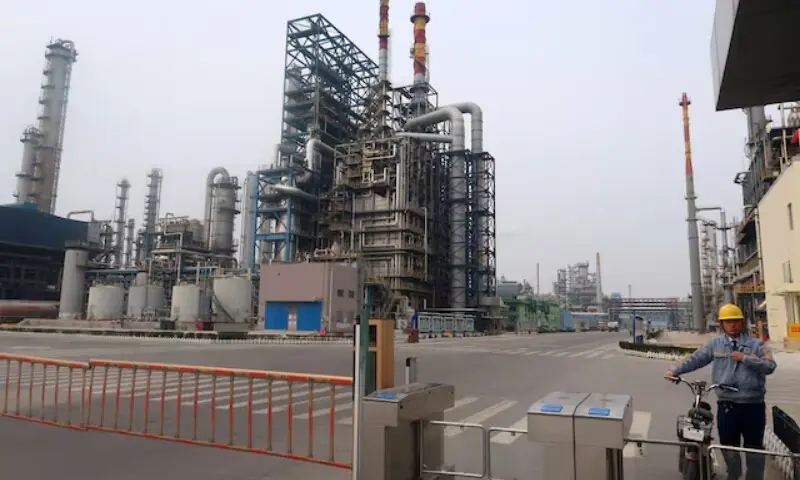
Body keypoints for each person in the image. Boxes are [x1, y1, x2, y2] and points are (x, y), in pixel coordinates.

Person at [665, 303, 777, 480]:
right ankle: (734, 474)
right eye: (728, 321)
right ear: (722, 324)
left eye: (736, 321)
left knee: (753, 448)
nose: (732, 325)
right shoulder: (715, 344)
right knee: (727, 444)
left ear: (742, 322)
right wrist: (675, 371)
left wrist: (745, 359)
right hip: (727, 405)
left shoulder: (757, 345)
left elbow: (770, 366)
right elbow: (696, 359)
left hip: (753, 405)